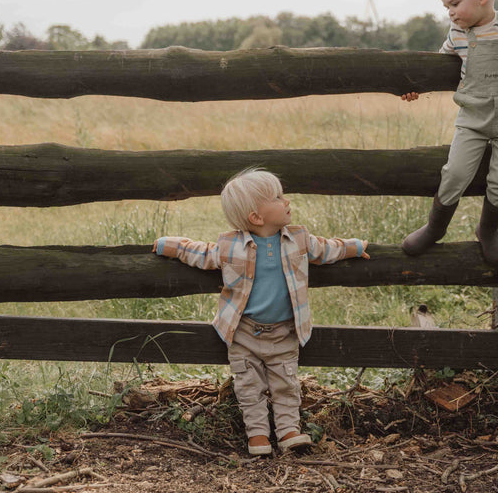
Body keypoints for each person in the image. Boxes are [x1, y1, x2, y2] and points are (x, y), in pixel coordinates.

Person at [152, 168, 370, 456]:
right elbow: (202, 254)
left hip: (284, 332)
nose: (287, 200)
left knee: (286, 384)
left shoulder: (299, 239)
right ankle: (257, 436)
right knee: (248, 387)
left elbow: (327, 249)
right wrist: (170, 245)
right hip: (243, 332)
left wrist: (355, 247)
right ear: (256, 217)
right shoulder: (231, 246)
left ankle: (289, 431)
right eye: (278, 197)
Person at [401, 0, 498, 266]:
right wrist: (417, 85)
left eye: (455, 3)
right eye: (446, 6)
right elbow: (437, 64)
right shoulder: (457, 36)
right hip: (472, 119)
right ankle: (435, 227)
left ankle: (487, 231)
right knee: (455, 173)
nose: (450, 13)